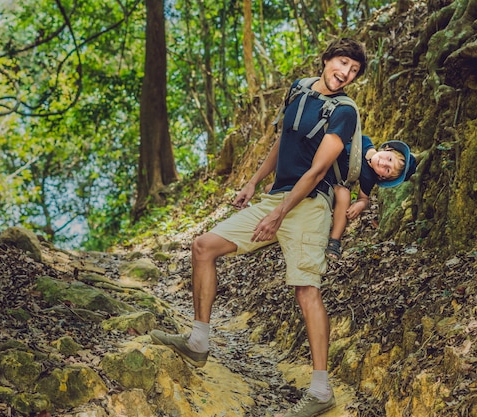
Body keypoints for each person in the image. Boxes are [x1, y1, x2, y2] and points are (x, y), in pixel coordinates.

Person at [150, 37, 367, 417]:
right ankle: (198, 341)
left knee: (306, 290)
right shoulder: (299, 88)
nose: (345, 74)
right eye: (343, 63)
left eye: (353, 71)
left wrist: (280, 213)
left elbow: (318, 169)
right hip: (276, 198)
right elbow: (281, 141)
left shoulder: (345, 111)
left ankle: (320, 390)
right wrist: (253, 182)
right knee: (203, 246)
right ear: (327, 59)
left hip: (310, 206)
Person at [325, 138, 417, 259]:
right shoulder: (363, 141)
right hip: (322, 153)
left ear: (382, 177)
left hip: (328, 180)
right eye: (389, 158)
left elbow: (363, 198)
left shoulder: (368, 178)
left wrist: (361, 204)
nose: (384, 164)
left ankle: (334, 241)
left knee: (344, 194)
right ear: (388, 149)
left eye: (387, 170)